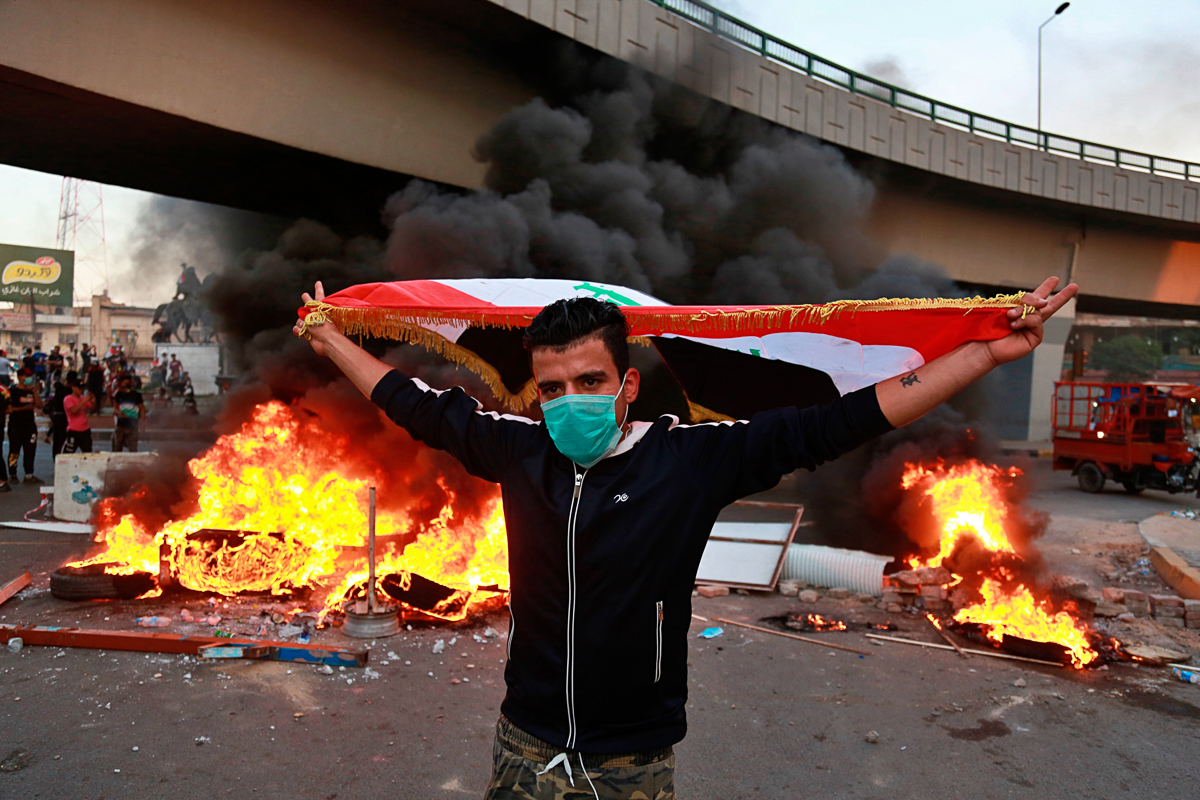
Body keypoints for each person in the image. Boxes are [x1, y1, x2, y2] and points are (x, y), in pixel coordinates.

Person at [295, 276, 1077, 797]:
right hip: (523, 745)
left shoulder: (693, 460)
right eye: (555, 388)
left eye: (591, 383)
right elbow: (416, 402)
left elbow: (846, 419)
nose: (571, 402)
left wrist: (981, 353)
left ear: (627, 385)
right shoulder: (519, 449)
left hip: (631, 759)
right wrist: (331, 339)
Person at [8, 367, 41, 484]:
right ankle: (12, 474)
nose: (28, 378)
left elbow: (39, 405)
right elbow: (8, 409)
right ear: (19, 377)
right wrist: (23, 408)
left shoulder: (30, 391)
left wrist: (35, 393)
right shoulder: (12, 391)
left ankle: (29, 474)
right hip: (16, 425)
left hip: (30, 425)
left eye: (29, 376)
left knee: (30, 450)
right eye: (25, 376)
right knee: (14, 450)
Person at [111, 374, 145, 452]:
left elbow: (142, 409)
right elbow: (115, 409)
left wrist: (142, 422)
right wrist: (119, 413)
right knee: (117, 447)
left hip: (132, 425)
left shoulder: (136, 395)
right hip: (121, 425)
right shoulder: (118, 395)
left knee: (132, 448)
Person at [62, 376, 95, 454]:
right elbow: (73, 410)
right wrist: (84, 401)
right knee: (69, 452)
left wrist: (93, 401)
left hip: (85, 430)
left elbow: (92, 409)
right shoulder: (68, 398)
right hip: (73, 430)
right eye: (79, 388)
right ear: (73, 388)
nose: (81, 390)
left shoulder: (83, 398)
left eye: (83, 388)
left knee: (88, 452)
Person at [44, 371, 70, 456]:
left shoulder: (59, 392)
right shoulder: (70, 392)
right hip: (67, 418)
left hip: (58, 417)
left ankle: (56, 458)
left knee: (57, 441)